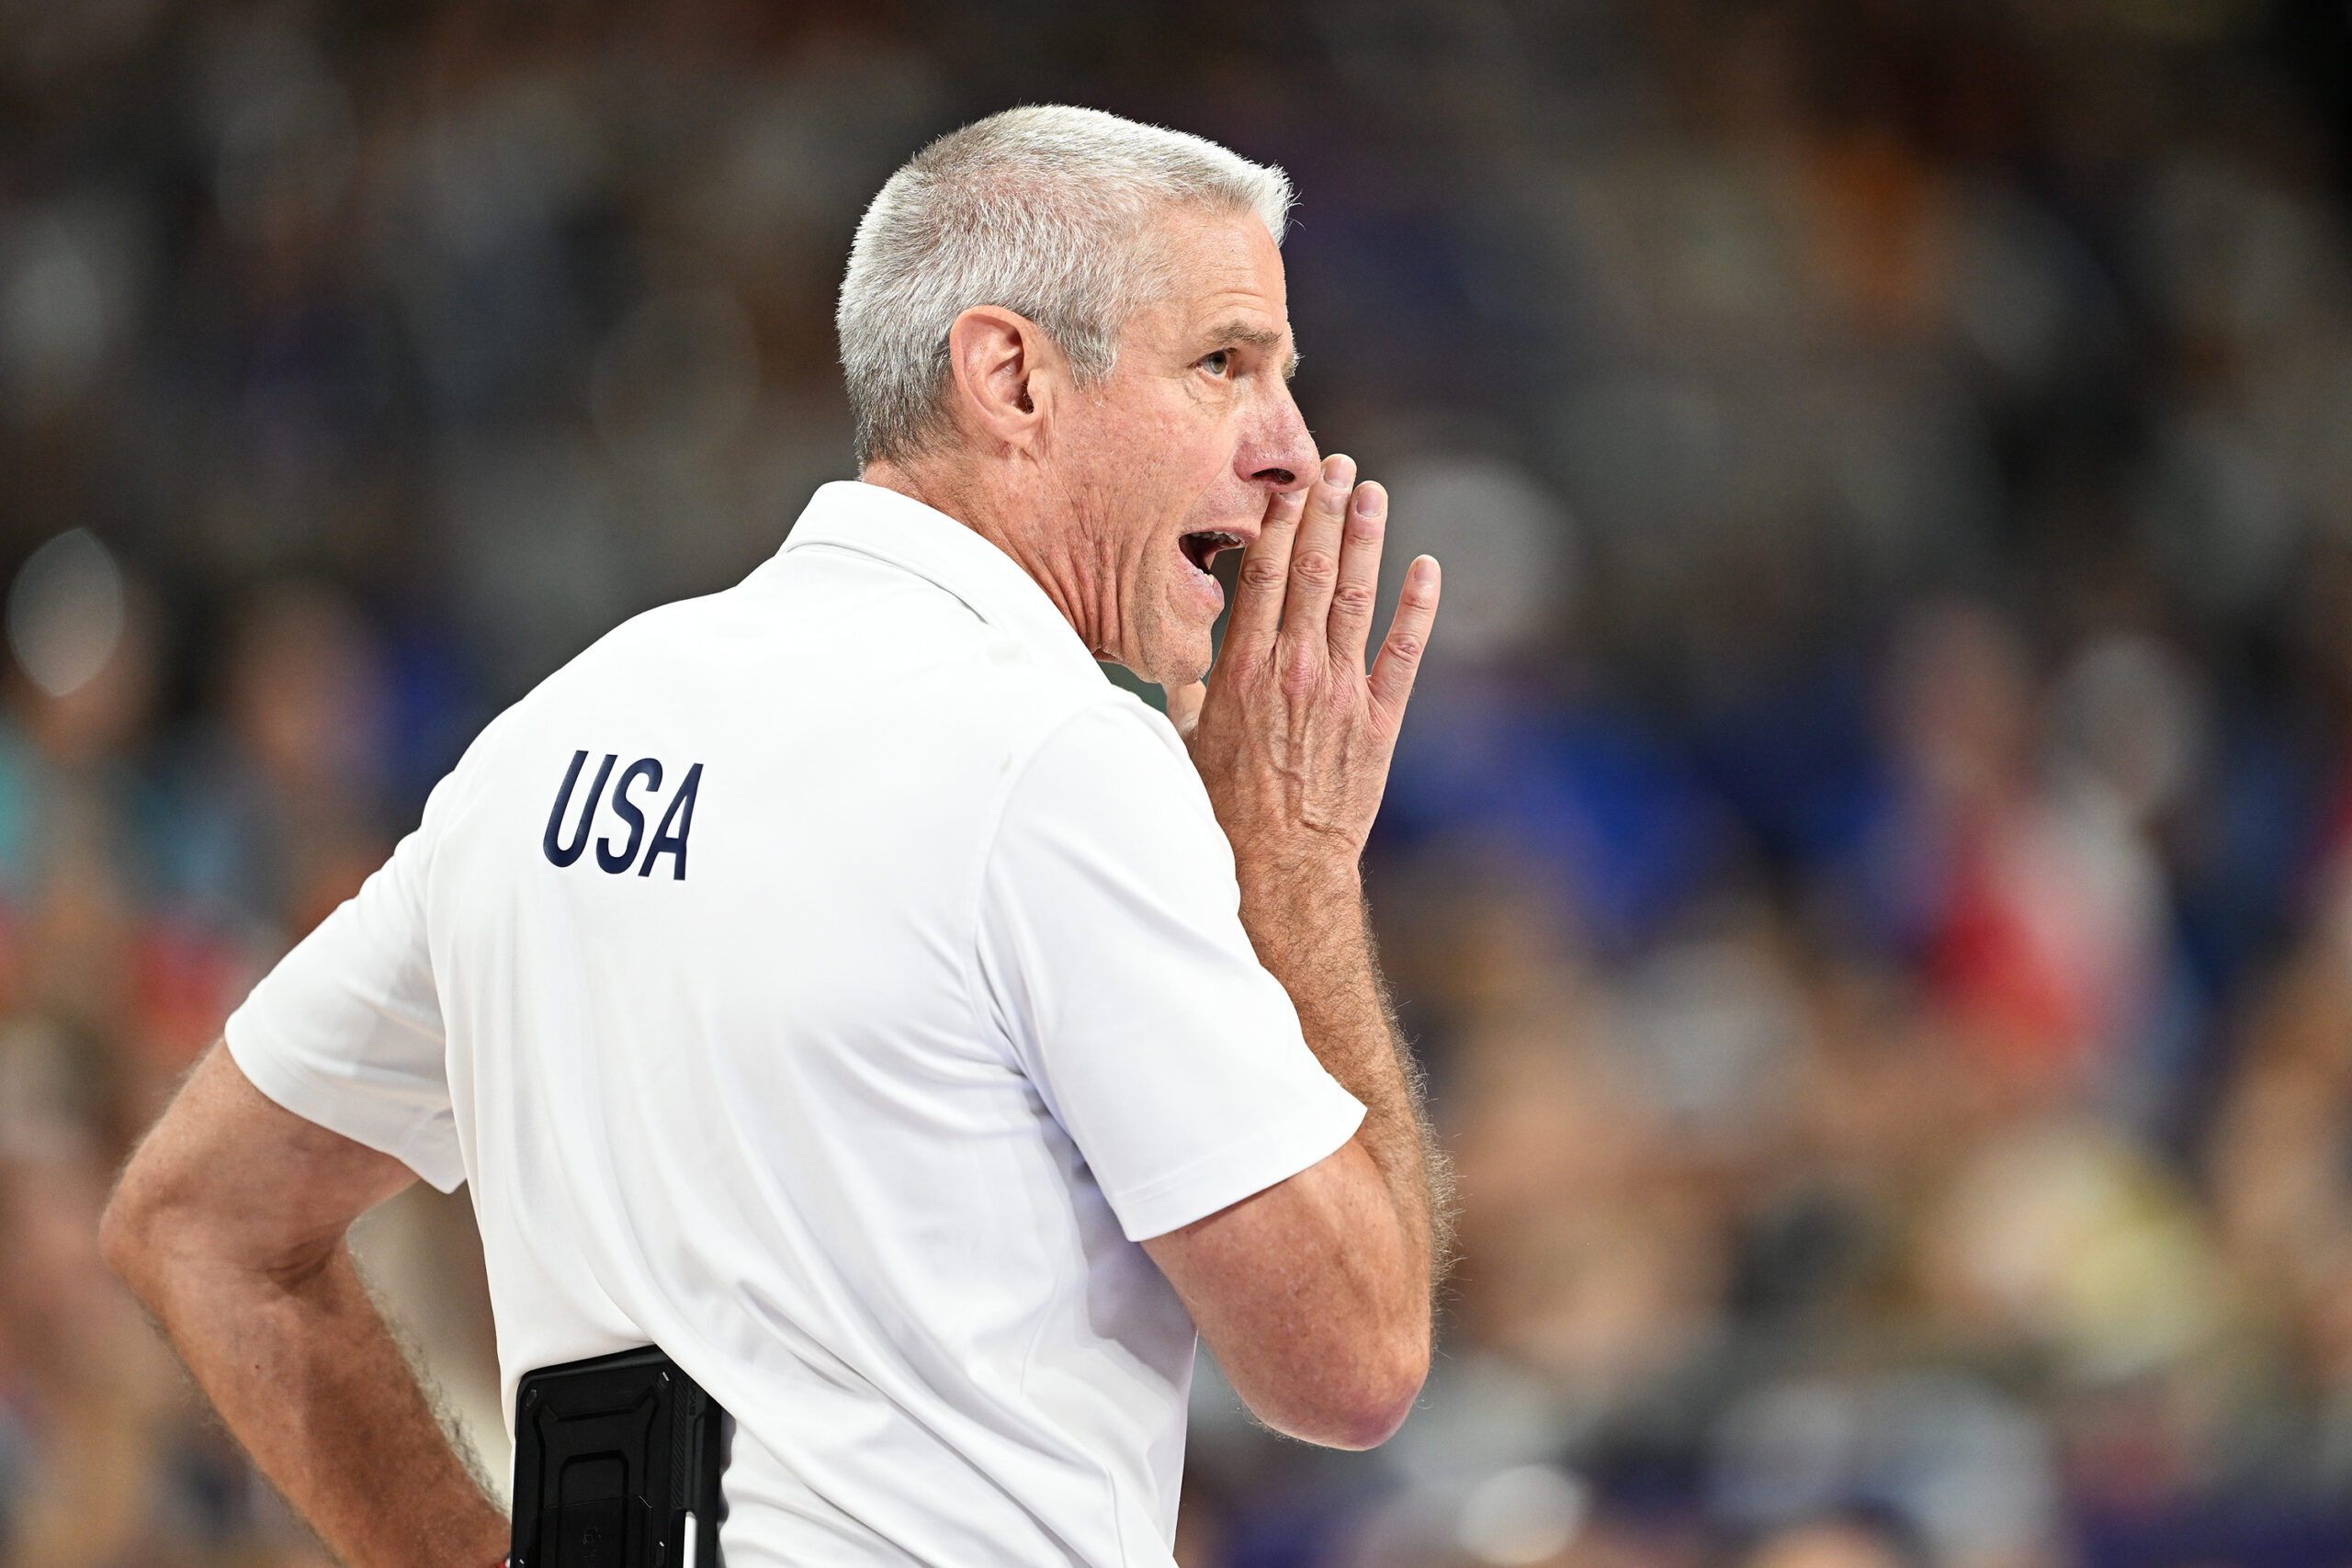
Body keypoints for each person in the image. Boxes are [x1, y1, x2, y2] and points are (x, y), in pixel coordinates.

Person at [99, 105, 1451, 1568]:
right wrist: (1297, 870)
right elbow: (1348, 1362)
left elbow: (199, 1220)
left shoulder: (552, 736)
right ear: (1011, 378)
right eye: (1224, 365)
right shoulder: (1053, 754)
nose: (1293, 452)